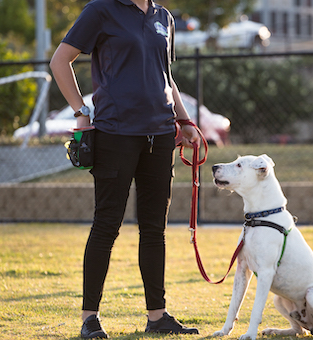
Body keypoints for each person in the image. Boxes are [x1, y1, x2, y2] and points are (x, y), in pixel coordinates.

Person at [49, 0, 202, 338]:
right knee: (106, 226)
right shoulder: (101, 10)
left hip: (161, 136)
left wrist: (184, 120)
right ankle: (90, 319)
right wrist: (80, 111)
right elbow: (60, 61)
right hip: (115, 134)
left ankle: (157, 317)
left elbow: (166, 76)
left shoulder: (163, 17)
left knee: (154, 229)